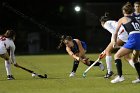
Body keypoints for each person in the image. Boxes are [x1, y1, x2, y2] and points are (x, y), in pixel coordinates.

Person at [111, 2, 140, 83]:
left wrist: (114, 42)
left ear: (124, 11)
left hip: (133, 38)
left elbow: (115, 32)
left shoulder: (122, 19)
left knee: (117, 56)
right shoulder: (135, 19)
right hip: (139, 38)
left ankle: (120, 77)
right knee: (135, 60)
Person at [100, 13, 133, 78]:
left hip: (122, 36)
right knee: (127, 57)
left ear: (102, 22)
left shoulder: (106, 24)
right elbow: (114, 35)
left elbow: (114, 33)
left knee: (108, 51)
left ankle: (110, 72)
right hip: (127, 36)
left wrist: (106, 50)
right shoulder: (112, 22)